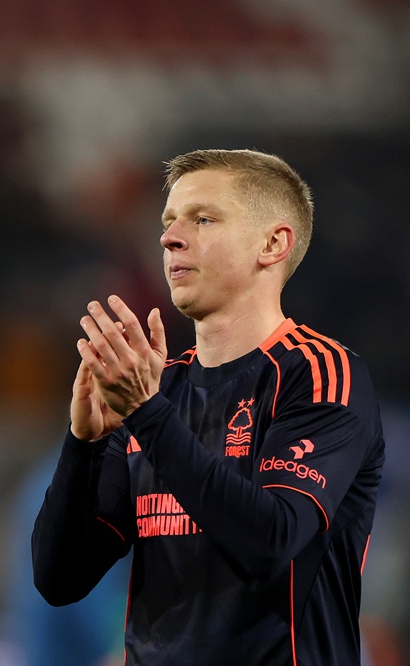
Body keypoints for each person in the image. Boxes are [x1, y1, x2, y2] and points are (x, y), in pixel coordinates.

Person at [32, 149, 385, 665]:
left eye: (203, 219)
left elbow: (270, 541)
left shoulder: (320, 374)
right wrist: (83, 445)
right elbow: (59, 580)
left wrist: (149, 417)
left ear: (272, 244)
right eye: (169, 221)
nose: (170, 237)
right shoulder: (160, 388)